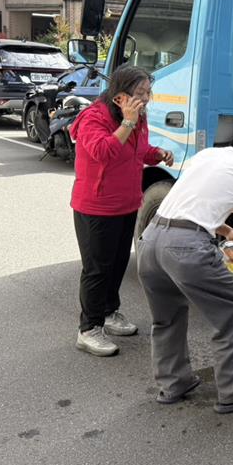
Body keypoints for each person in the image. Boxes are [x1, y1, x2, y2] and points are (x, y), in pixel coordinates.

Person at [137, 120, 233, 413]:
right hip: (185, 248)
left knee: (167, 317)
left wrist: (229, 232)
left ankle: (173, 384)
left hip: (150, 239)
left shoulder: (208, 155)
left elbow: (192, 203)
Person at [70, 65, 173, 357]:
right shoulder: (93, 117)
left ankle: (109, 312)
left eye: (148, 92)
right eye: (140, 93)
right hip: (97, 206)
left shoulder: (135, 119)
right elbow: (104, 151)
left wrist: (157, 154)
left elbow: (136, 150)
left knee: (116, 264)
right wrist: (128, 122)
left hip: (127, 203)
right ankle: (88, 329)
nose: (146, 98)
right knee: (97, 269)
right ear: (120, 95)